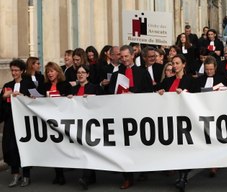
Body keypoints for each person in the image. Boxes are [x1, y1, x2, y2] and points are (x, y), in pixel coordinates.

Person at [108, 45, 153, 189]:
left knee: (140, 144)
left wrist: (134, 96)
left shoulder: (142, 72)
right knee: (123, 146)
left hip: (139, 114)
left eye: (126, 56)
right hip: (121, 115)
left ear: (133, 55)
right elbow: (109, 95)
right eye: (121, 57)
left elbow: (149, 92)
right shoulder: (116, 74)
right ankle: (127, 177)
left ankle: (143, 169)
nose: (124, 59)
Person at [157, 54, 199, 191]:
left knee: (184, 148)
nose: (174, 66)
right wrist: (160, 92)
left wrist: (186, 94)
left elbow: (198, 98)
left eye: (177, 63)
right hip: (170, 118)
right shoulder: (168, 81)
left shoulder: (191, 81)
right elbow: (156, 92)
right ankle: (181, 174)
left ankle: (183, 177)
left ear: (184, 64)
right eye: (173, 63)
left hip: (185, 119)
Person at [1, 59, 36, 187]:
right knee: (10, 148)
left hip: (24, 121)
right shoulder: (7, 85)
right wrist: (4, 97)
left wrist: (22, 96)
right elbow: (2, 105)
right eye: (12, 70)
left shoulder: (29, 84)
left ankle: (26, 175)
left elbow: (36, 99)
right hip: (10, 121)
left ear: (22, 71)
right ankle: (15, 175)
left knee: (24, 147)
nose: (14, 73)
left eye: (16, 70)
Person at [38, 61, 73, 185]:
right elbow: (38, 100)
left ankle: (62, 173)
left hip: (62, 121)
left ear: (58, 72)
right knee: (54, 149)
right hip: (49, 121)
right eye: (48, 72)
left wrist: (68, 97)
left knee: (62, 147)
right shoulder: (43, 86)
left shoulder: (65, 84)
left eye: (52, 71)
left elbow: (71, 99)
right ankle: (58, 174)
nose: (49, 74)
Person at [71, 64, 103, 189]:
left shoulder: (95, 88)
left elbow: (102, 103)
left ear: (88, 74)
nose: (80, 74)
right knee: (84, 151)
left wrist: (91, 99)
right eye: (78, 72)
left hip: (92, 125)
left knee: (88, 150)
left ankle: (86, 177)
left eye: (83, 72)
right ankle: (91, 176)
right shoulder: (73, 90)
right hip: (78, 124)